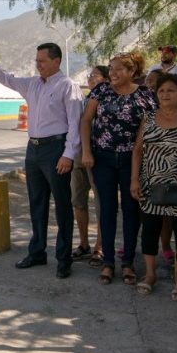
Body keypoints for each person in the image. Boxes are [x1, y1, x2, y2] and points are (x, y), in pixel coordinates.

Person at [0, 43, 82, 279]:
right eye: (37, 61)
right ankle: (37, 252)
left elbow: (75, 122)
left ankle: (64, 259)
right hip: (33, 150)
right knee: (37, 202)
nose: (38, 65)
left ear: (56, 61)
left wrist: (68, 154)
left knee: (63, 205)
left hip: (56, 148)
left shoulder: (68, 86)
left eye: (42, 61)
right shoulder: (32, 84)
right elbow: (8, 78)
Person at [81, 51, 156, 285]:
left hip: (131, 161)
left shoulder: (145, 96)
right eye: (110, 68)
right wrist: (86, 151)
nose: (112, 73)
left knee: (131, 211)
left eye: (118, 69)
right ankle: (108, 262)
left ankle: (128, 263)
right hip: (102, 159)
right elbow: (86, 120)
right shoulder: (101, 91)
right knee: (107, 209)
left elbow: (145, 133)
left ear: (132, 71)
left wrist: (137, 164)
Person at [131, 73, 177, 300]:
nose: (165, 94)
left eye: (171, 90)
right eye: (161, 91)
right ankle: (150, 274)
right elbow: (138, 150)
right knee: (150, 231)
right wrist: (134, 180)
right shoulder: (149, 118)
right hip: (150, 185)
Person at [71, 65, 108, 263]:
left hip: (99, 157)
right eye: (89, 76)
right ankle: (83, 243)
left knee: (101, 203)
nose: (91, 79)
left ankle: (100, 247)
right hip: (78, 155)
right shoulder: (83, 99)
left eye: (95, 76)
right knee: (78, 200)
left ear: (106, 79)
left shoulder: (109, 100)